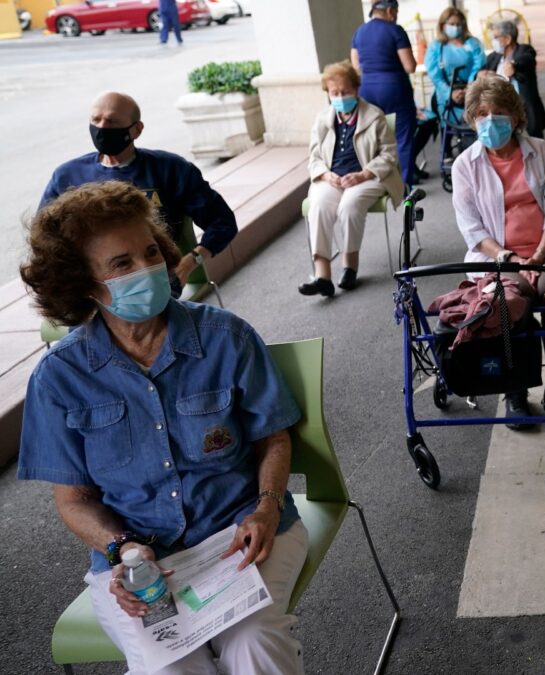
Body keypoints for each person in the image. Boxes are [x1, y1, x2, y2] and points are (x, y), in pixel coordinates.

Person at [18, 181, 309, 675]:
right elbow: (74, 500)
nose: (148, 270)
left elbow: (272, 439)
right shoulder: (60, 377)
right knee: (171, 666)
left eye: (151, 252)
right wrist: (121, 549)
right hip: (142, 562)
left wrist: (265, 509)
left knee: (253, 644)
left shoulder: (227, 338)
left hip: (241, 533)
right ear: (85, 284)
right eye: (122, 264)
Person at [452, 76, 545, 428]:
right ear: (472, 119)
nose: (490, 120)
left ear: (516, 116)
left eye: (499, 112)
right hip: (498, 257)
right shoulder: (465, 164)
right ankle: (516, 390)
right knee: (511, 303)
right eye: (482, 113)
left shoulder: (541, 150)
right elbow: (472, 230)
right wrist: (511, 260)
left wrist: (540, 253)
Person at [41, 91, 238, 295]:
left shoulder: (171, 169)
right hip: (90, 283)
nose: (101, 128)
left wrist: (190, 261)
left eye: (111, 121)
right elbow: (44, 236)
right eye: (96, 120)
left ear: (136, 129)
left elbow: (222, 222)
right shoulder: (67, 175)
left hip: (152, 278)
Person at [299, 61, 405, 298]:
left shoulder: (374, 116)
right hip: (333, 178)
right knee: (319, 205)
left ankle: (350, 266)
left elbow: (389, 154)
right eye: (334, 93)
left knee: (349, 205)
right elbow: (314, 157)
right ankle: (322, 276)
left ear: (356, 90)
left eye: (345, 92)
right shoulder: (323, 119)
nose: (340, 97)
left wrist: (363, 174)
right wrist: (326, 175)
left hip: (369, 176)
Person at [351, 0, 419, 186]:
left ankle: (376, 182)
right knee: (403, 138)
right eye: (396, 11)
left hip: (367, 90)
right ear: (389, 10)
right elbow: (410, 66)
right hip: (395, 88)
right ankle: (405, 186)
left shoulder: (359, 32)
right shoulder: (395, 30)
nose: (396, 15)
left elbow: (356, 66)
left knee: (373, 136)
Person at [482, 20, 545, 139]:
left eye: (496, 37)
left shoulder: (525, 50)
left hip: (523, 108)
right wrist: (483, 75)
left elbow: (527, 59)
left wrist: (513, 65)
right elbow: (482, 70)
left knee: (534, 142)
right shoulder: (494, 56)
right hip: (500, 108)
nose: (493, 41)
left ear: (507, 39)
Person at [426, 7, 486, 128]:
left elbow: (478, 65)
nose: (456, 27)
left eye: (459, 24)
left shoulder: (472, 43)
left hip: (471, 92)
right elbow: (435, 76)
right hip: (446, 96)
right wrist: (450, 93)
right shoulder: (436, 47)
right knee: (447, 135)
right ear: (443, 25)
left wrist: (469, 89)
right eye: (452, 24)